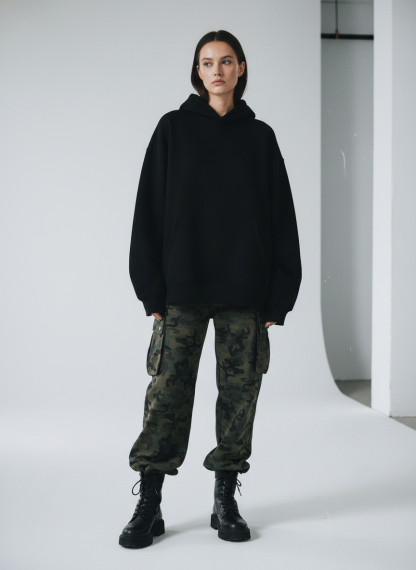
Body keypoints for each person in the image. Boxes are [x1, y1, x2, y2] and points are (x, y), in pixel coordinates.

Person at [119, 29, 302, 549]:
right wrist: (151, 289)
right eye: (207, 62)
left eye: (226, 61)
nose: (217, 70)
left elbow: (282, 217)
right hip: (181, 289)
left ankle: (225, 499)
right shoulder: (173, 129)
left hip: (245, 290)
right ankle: (150, 501)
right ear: (197, 71)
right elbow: (148, 209)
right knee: (166, 395)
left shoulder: (260, 137)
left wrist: (279, 294)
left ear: (240, 68)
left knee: (240, 398)